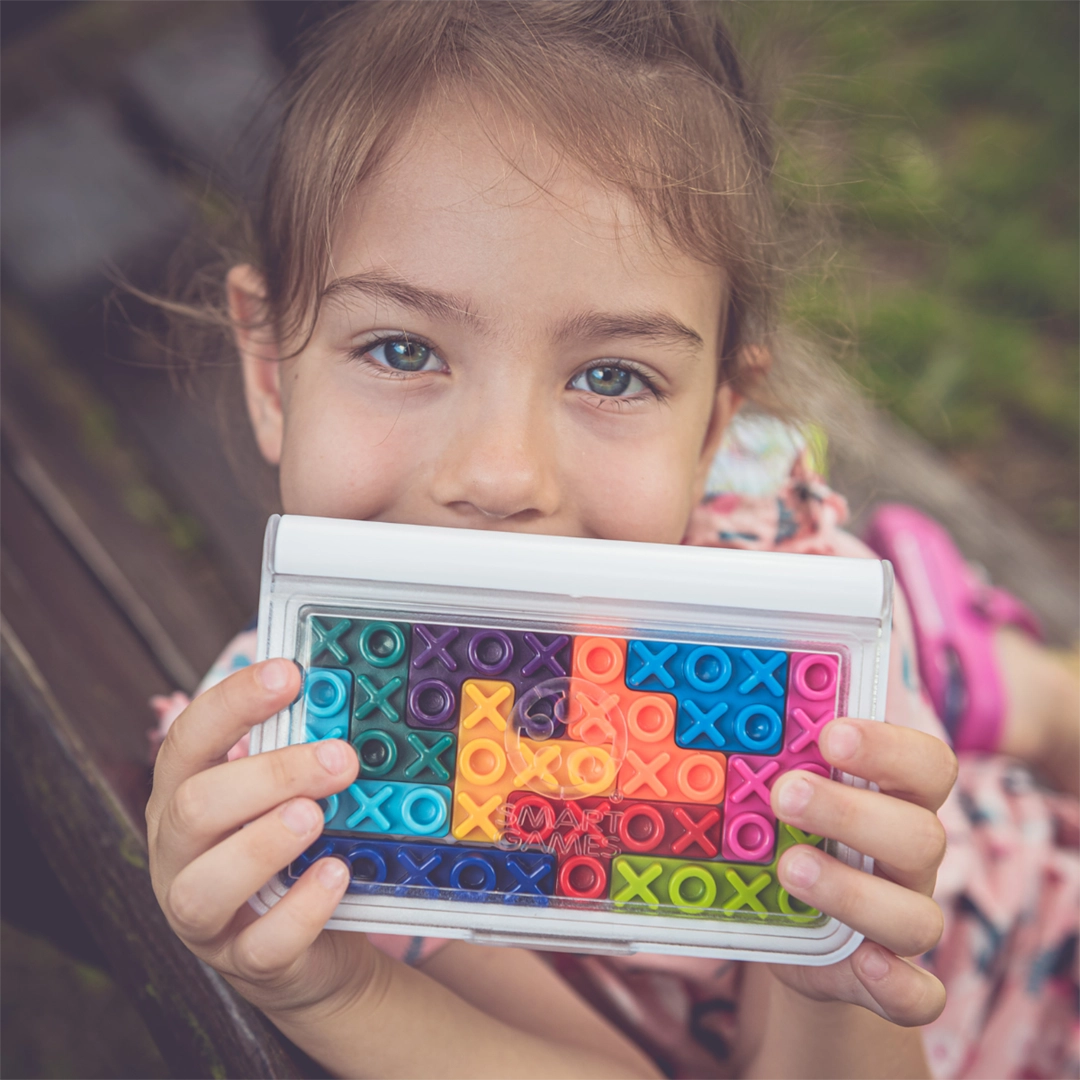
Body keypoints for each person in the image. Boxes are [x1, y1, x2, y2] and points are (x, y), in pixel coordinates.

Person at [144, 2, 1080, 1077]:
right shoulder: (282, 787)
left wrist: (832, 936)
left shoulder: (800, 630)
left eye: (612, 375)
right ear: (273, 373)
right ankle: (978, 670)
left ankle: (1008, 686)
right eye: (402, 349)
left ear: (711, 429)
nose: (502, 476)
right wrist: (332, 986)